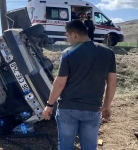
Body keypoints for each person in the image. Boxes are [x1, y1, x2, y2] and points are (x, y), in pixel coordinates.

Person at [42, 20, 117, 150]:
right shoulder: (108, 53)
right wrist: (106, 106)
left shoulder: (68, 52)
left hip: (68, 109)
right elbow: (111, 83)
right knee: (89, 146)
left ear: (74, 35)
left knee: (65, 146)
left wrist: (49, 105)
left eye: (67, 35)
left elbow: (59, 83)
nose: (67, 39)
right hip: (92, 109)